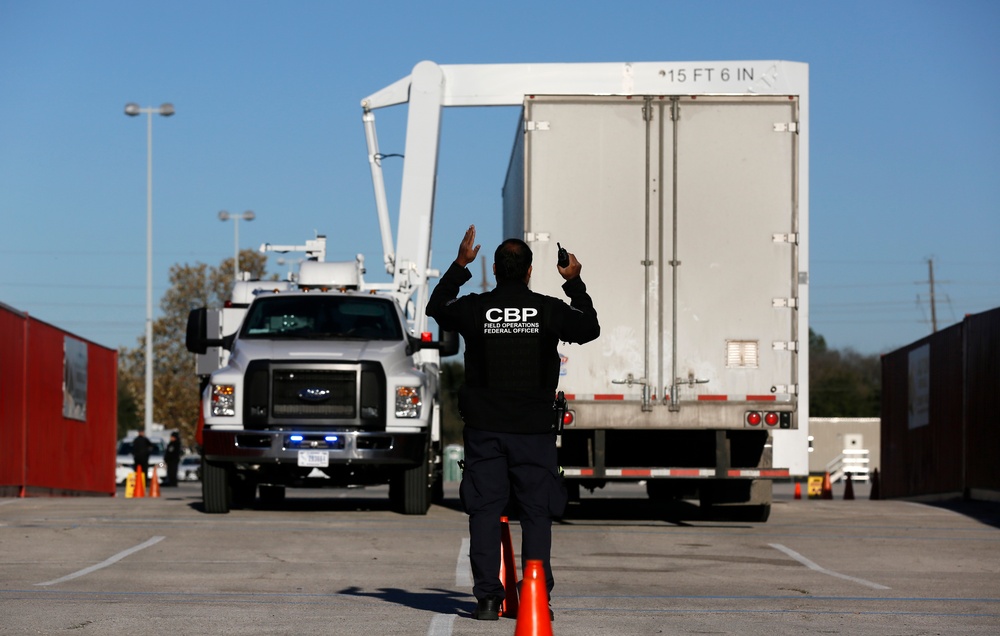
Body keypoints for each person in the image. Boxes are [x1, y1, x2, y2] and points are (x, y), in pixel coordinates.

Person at [426, 225, 600, 621]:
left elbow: (436, 307)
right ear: (529, 271)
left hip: (485, 431)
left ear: (498, 270)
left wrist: (459, 265)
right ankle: (536, 594)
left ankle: (488, 599)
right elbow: (589, 328)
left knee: (484, 512)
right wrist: (574, 283)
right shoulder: (549, 308)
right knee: (536, 512)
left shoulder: (474, 308)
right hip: (534, 431)